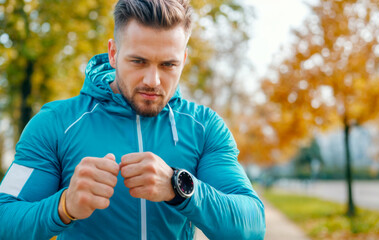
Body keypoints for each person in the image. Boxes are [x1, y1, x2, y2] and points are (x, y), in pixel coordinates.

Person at [0, 0, 266, 239]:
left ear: (183, 60)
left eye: (168, 65)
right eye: (139, 61)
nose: (153, 80)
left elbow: (252, 225)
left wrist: (180, 186)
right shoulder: (55, 123)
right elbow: (5, 219)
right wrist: (64, 206)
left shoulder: (204, 127)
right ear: (113, 53)